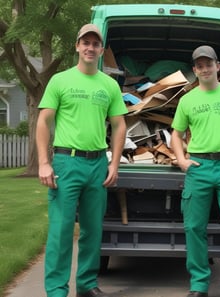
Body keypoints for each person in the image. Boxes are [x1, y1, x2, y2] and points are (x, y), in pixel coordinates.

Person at [36, 23, 127, 297]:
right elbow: (43, 121)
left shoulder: (109, 85)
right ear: (77, 46)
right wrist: (43, 162)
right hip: (67, 162)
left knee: (92, 230)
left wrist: (114, 162)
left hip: (98, 164)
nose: (90, 47)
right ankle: (56, 290)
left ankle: (86, 285)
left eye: (95, 44)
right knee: (62, 231)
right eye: (85, 43)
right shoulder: (61, 81)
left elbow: (120, 125)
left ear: (101, 50)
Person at [171, 45, 220, 297]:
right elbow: (176, 133)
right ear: (195, 70)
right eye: (200, 65)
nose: (205, 68)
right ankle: (198, 285)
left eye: (209, 64)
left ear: (218, 66)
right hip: (199, 167)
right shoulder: (187, 100)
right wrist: (182, 160)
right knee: (194, 227)